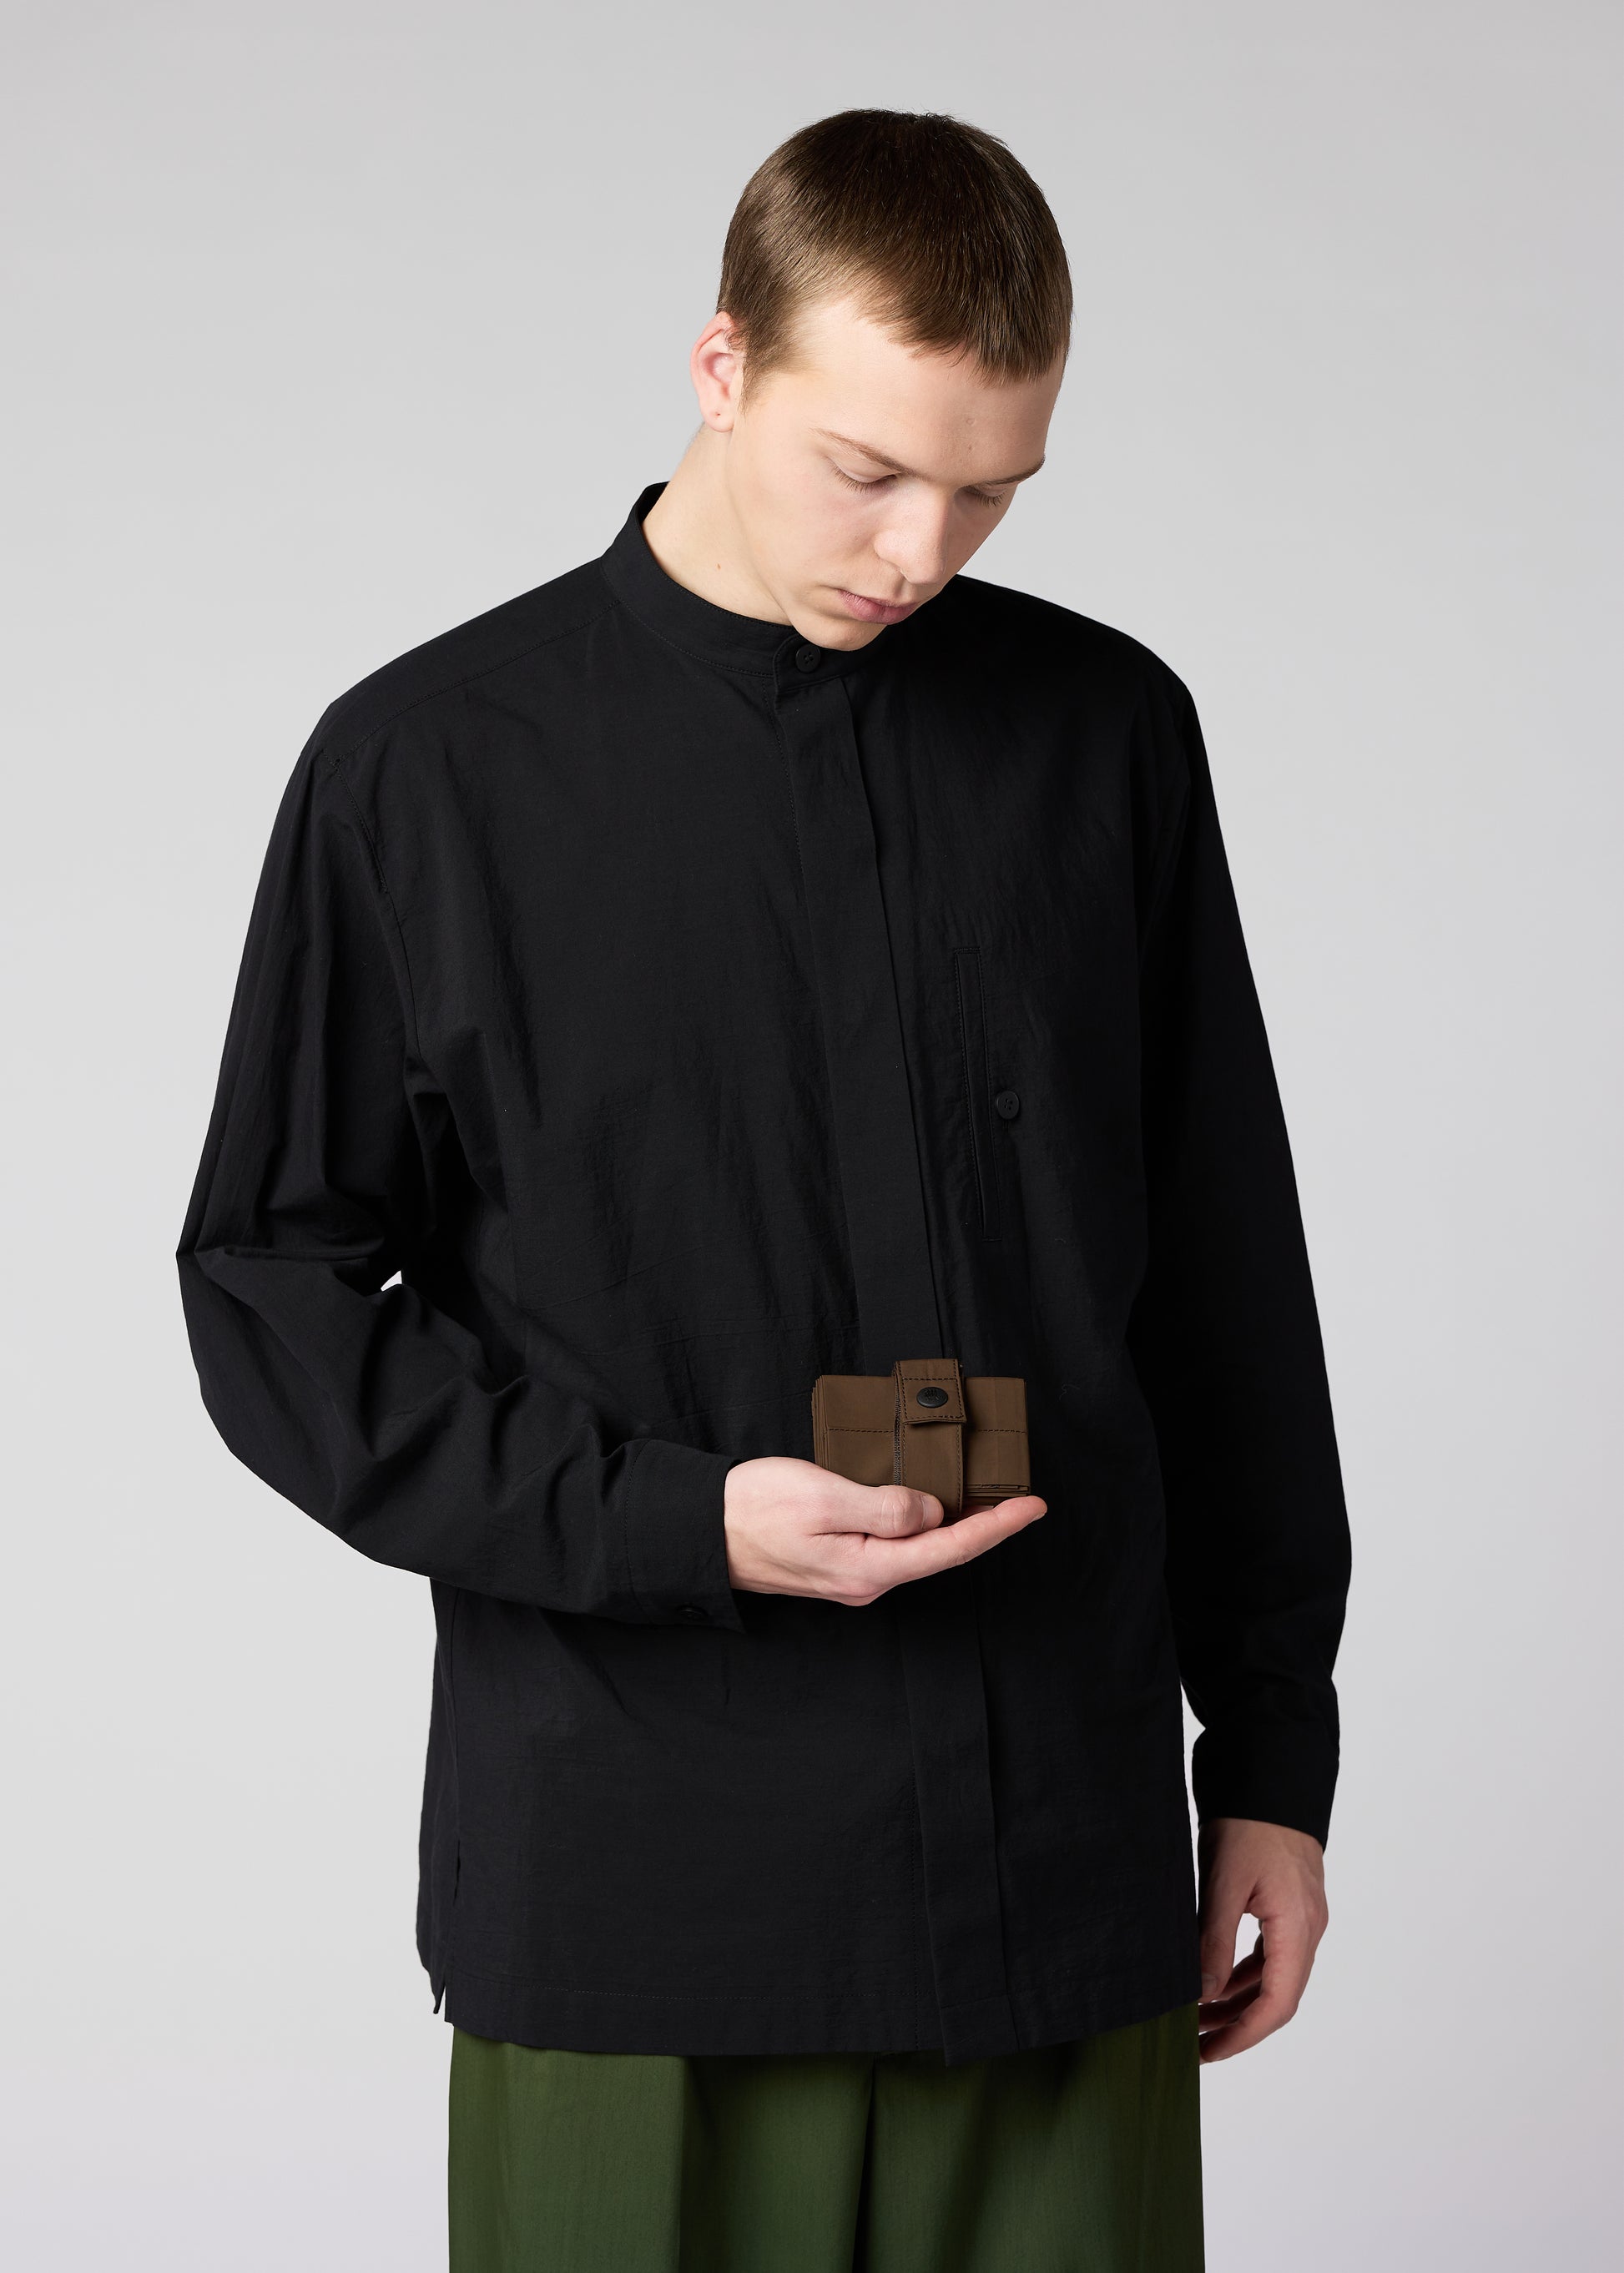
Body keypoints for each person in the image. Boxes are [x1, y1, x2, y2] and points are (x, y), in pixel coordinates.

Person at [176, 108, 1351, 2272]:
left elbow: (1219, 1273)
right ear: (720, 364)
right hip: (641, 1896)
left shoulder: (1104, 734)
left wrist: (1271, 1749)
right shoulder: (428, 767)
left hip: (1052, 1866)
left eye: (990, 491)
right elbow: (271, 1291)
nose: (919, 548)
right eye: (866, 468)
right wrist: (675, 1519)